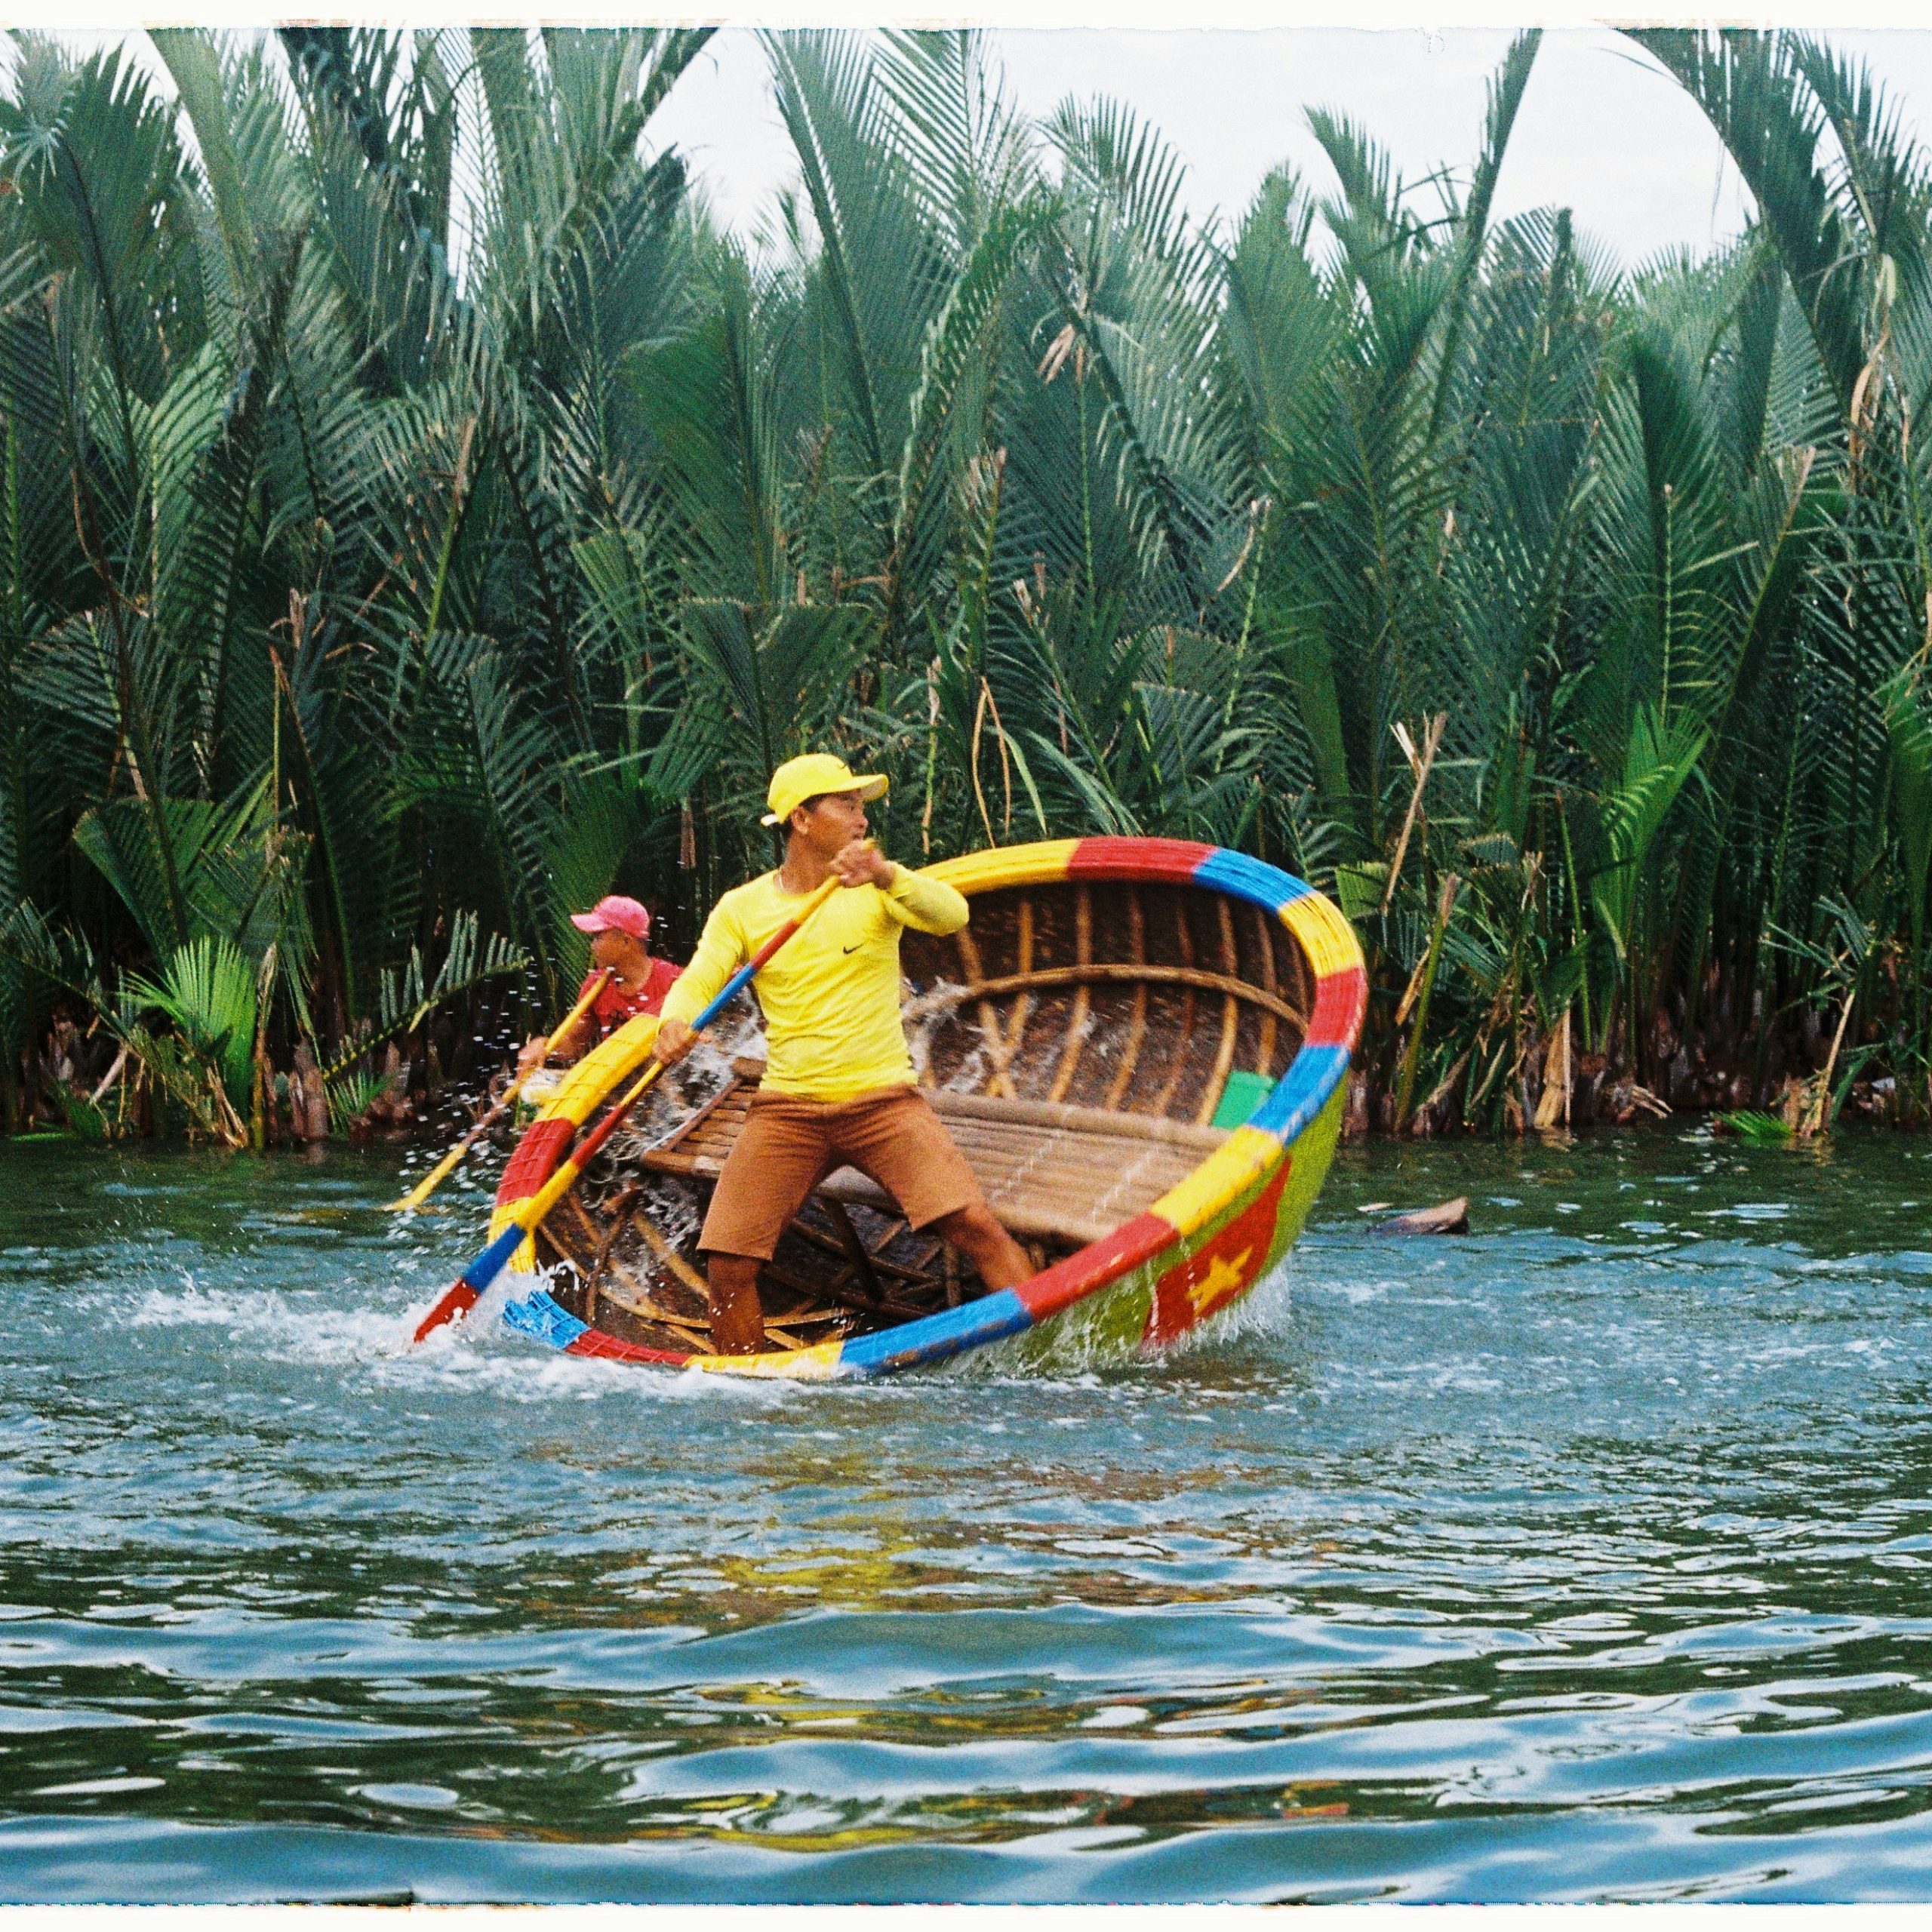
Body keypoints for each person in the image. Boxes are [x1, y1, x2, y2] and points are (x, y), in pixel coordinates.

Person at [652, 752, 1033, 1354]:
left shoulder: (879, 887)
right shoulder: (743, 907)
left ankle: (1040, 1349)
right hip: (788, 1108)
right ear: (802, 819)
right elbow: (700, 979)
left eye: (862, 807)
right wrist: (673, 1021)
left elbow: (951, 914)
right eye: (847, 805)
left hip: (880, 1099)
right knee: (728, 1263)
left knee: (975, 1227)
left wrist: (888, 876)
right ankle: (747, 1395)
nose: (861, 819)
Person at [517, 895, 681, 1078]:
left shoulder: (674, 981)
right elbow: (573, 1041)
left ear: (626, 942)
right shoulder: (596, 985)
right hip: (618, 1082)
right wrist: (544, 1045)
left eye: (598, 938)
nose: (592, 946)